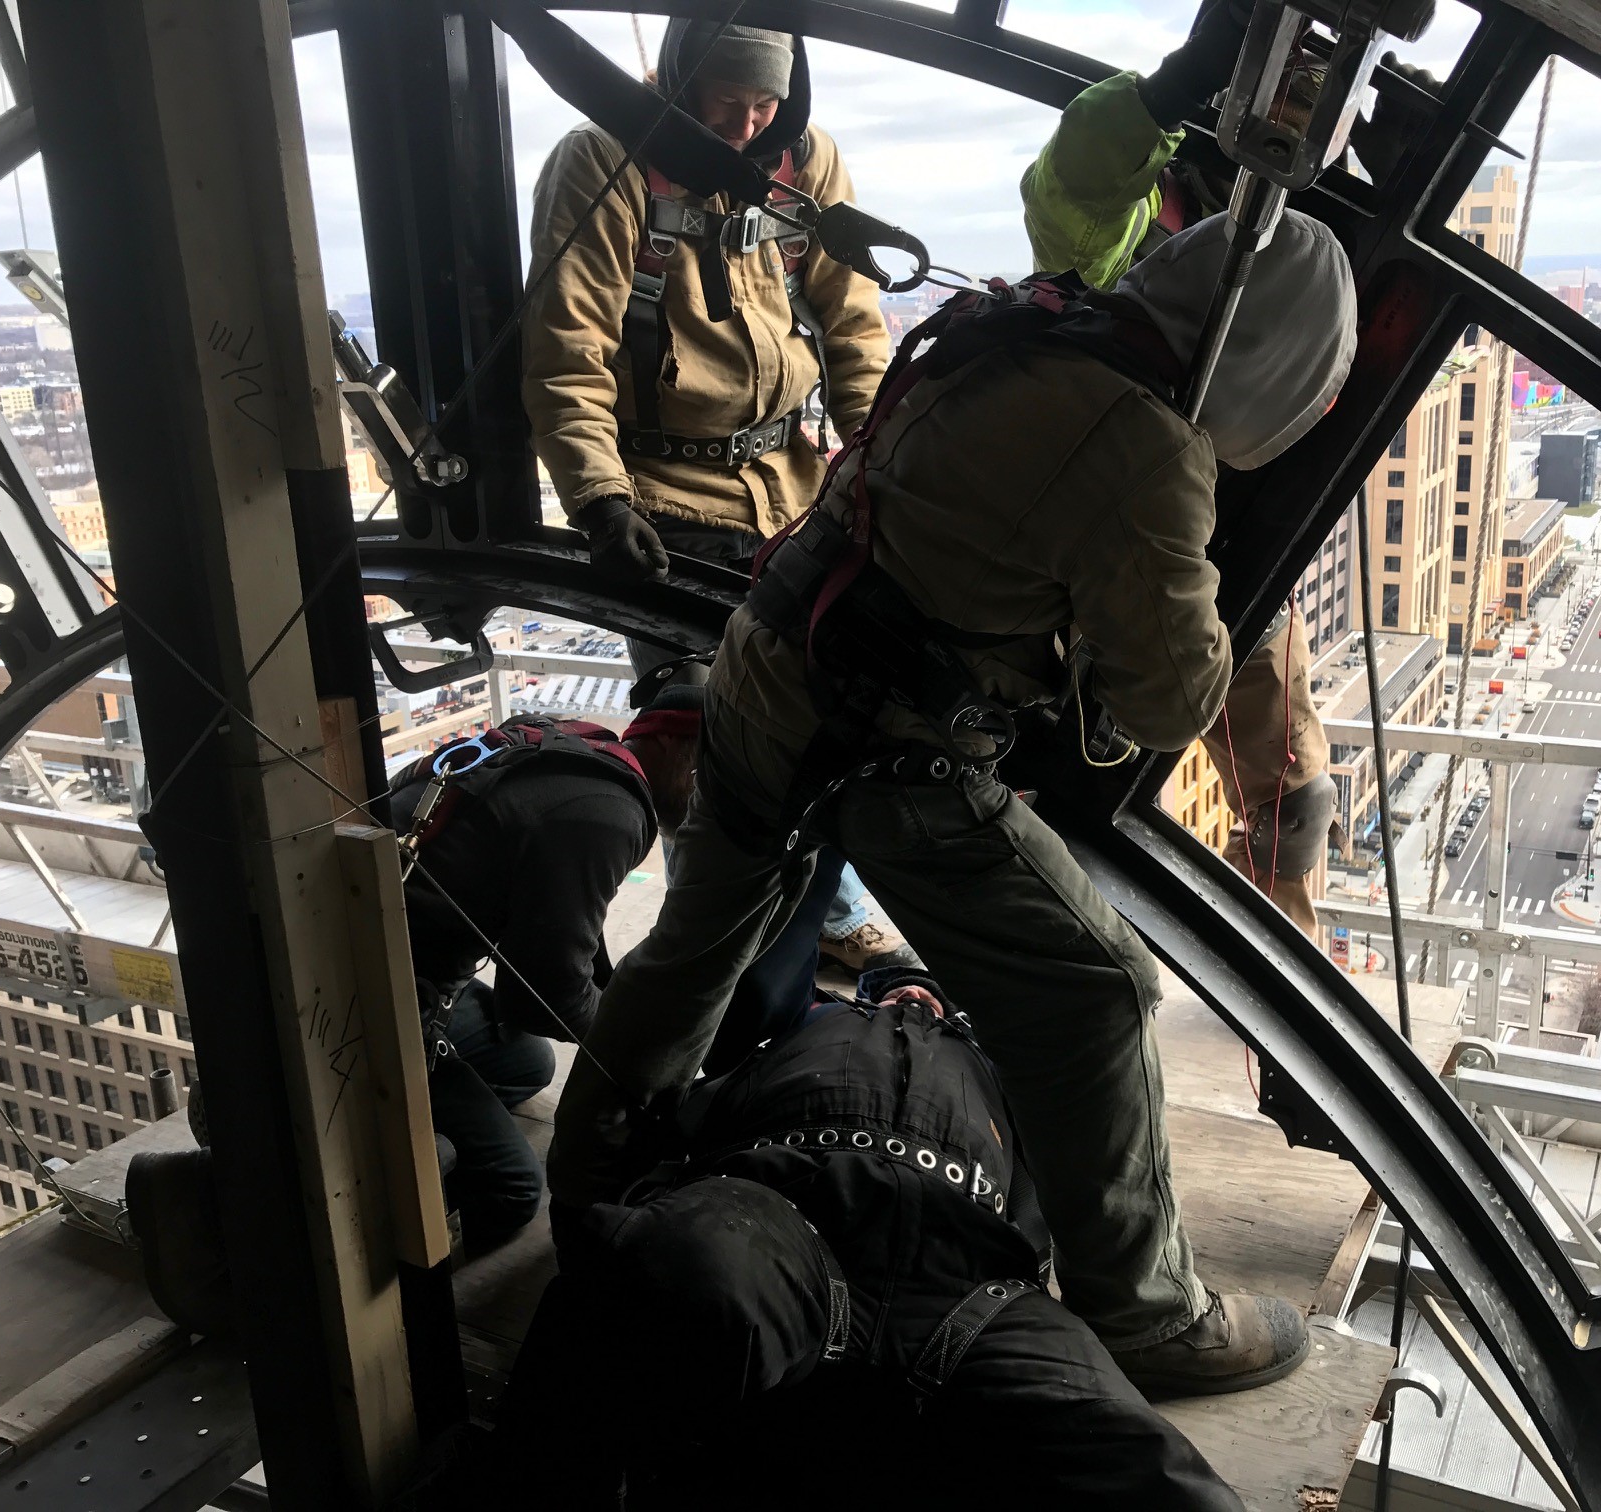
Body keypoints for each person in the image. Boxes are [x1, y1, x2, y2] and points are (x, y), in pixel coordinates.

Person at [548, 208, 1357, 1396]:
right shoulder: (1145, 445)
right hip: (890, 748)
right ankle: (1144, 1316)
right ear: (1272, 371)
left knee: (696, 949)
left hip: (766, 675)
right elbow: (1170, 699)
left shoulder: (1016, 327)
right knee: (1096, 986)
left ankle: (587, 1188)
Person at [426, 972, 1243, 1510]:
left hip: (968, 1280)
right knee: (657, 1275)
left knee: (1140, 1460)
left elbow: (1078, 1171)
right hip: (781, 1214)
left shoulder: (1000, 1071)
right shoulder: (797, 1028)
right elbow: (682, 1097)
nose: (911, 995)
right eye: (892, 986)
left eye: (929, 990)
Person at [1019, 2, 1432, 934]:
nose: (1289, 116)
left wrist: (1410, 181)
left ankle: (1267, 967)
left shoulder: (1320, 241)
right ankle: (1048, 944)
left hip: (1229, 544)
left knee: (1293, 805)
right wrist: (1173, 86)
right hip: (1107, 540)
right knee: (1067, 764)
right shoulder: (1137, 223)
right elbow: (1072, 190)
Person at [521, 17, 915, 975]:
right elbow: (567, 349)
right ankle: (709, 951)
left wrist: (883, 460)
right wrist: (601, 498)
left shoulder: (804, 160)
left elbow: (854, 327)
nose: (746, 126)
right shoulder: (605, 163)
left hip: (793, 491)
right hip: (665, 499)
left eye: (766, 104)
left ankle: (825, 911)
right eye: (727, 103)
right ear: (680, 75)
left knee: (822, 716)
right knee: (697, 742)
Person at [392, 692, 841, 1250]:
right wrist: (640, 1060)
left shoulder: (577, 748)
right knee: (513, 1190)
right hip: (387, 1005)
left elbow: (557, 941)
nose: (710, 801)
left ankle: (442, 1107)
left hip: (401, 960)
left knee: (530, 1065)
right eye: (711, 777)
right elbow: (542, 1000)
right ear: (673, 744)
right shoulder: (607, 812)